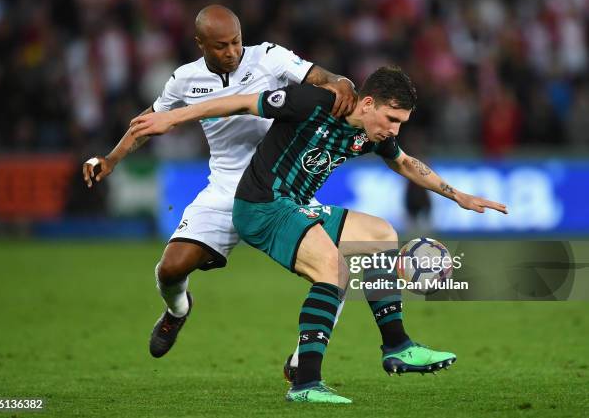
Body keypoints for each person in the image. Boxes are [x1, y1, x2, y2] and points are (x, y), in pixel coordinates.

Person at [128, 65, 508, 403]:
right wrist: (172, 118)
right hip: (262, 205)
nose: (394, 130)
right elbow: (240, 103)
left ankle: (397, 346)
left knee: (380, 234)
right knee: (335, 271)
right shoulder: (313, 102)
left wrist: (457, 195)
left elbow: (405, 162)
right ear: (369, 103)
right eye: (392, 119)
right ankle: (305, 383)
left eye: (401, 124)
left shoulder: (373, 135)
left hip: (295, 205)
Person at [82, 5, 356, 359]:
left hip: (280, 186)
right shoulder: (184, 79)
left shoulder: (269, 57)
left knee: (336, 271)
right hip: (226, 188)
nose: (232, 53)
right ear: (200, 44)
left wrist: (344, 83)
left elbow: (322, 77)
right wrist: (111, 158)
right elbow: (149, 122)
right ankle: (178, 310)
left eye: (236, 43)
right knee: (170, 269)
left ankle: (304, 359)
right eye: (221, 46)